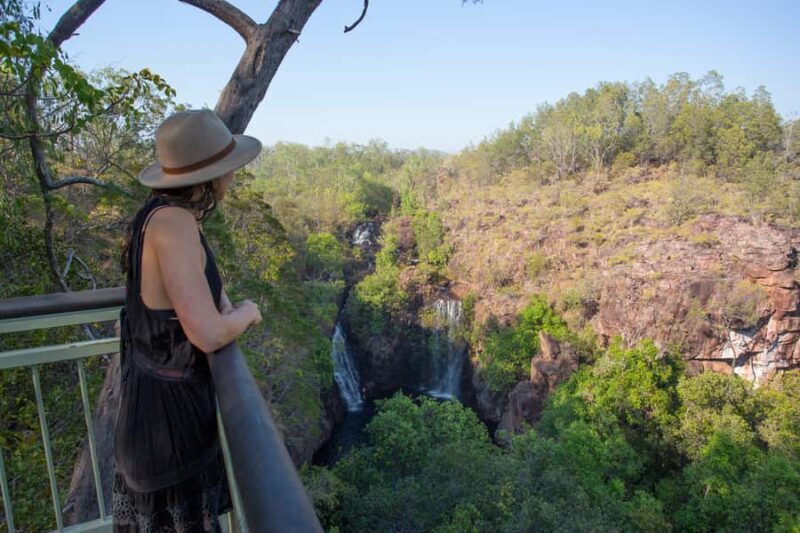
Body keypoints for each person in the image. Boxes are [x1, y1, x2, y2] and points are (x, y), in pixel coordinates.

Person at [112, 109, 263, 532]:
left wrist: (226, 307)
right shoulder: (174, 224)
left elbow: (203, 299)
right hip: (167, 429)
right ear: (211, 177)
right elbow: (209, 332)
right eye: (228, 169)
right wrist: (248, 313)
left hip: (155, 411)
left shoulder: (159, 215)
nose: (232, 178)